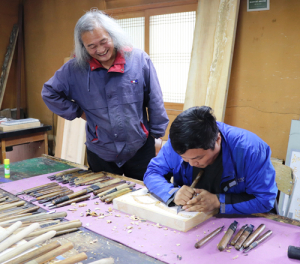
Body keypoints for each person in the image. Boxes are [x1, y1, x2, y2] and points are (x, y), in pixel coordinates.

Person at [42, 9, 169, 181]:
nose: (100, 50)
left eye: (103, 41)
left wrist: (157, 136)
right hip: (100, 149)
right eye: (91, 46)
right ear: (82, 46)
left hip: (139, 146)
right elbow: (49, 92)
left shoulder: (139, 60)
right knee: (102, 202)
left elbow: (155, 100)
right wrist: (78, 112)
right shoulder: (74, 69)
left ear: (113, 36)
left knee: (145, 195)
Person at [144, 106, 278, 214]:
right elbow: (152, 173)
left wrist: (218, 201)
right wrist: (173, 193)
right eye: (184, 158)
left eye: (198, 158)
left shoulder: (250, 150)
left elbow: (264, 201)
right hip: (192, 217)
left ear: (218, 140)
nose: (191, 163)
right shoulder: (178, 143)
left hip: (240, 220)